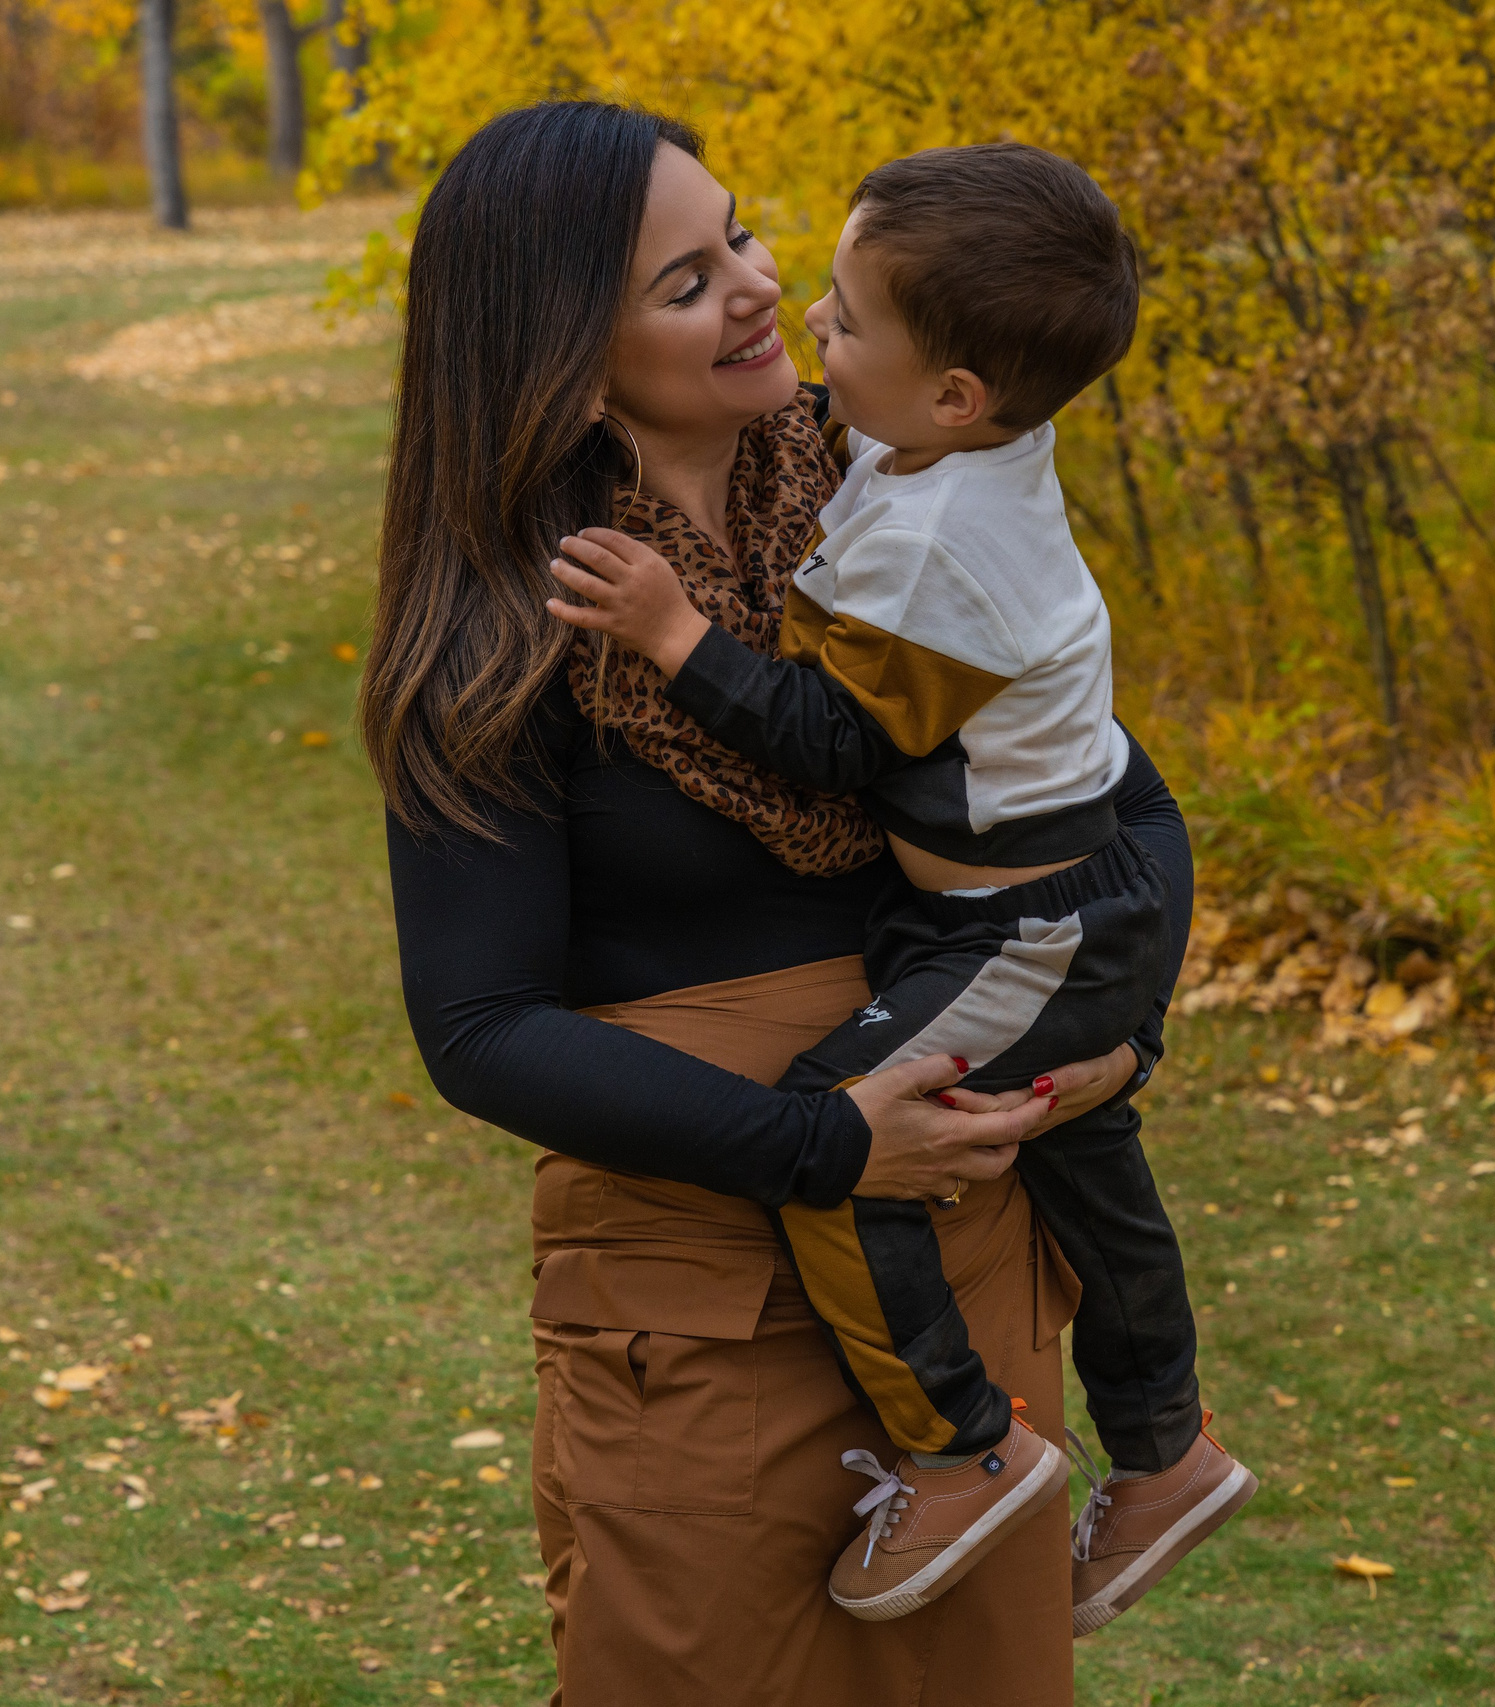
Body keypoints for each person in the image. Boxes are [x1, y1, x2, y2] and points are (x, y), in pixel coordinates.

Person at [367, 101, 1193, 1704]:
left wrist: (1122, 1040)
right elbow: (477, 1029)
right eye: (685, 282)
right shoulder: (516, 614)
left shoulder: (901, 503)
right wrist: (825, 1145)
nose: (756, 289)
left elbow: (1114, 804)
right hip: (703, 1289)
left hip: (956, 1240)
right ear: (558, 350)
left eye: (740, 236)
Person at [545, 142, 1252, 1636]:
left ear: (955, 395)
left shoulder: (942, 544)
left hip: (1029, 922)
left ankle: (958, 1445)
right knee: (1090, 1167)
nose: (806, 319)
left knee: (851, 1133)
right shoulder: (936, 451)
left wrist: (676, 635)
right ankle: (1168, 1450)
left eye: (850, 322)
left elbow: (826, 745)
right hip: (1050, 907)